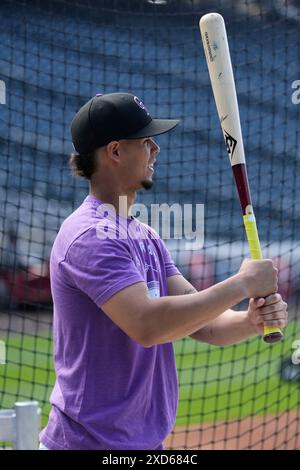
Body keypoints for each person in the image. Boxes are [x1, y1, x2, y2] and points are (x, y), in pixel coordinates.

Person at [39, 92, 288, 450]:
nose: (155, 149)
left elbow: (205, 321)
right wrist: (242, 283)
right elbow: (148, 325)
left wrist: (250, 320)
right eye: (146, 141)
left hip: (139, 444)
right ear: (115, 151)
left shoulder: (143, 234)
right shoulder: (89, 235)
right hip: (89, 444)